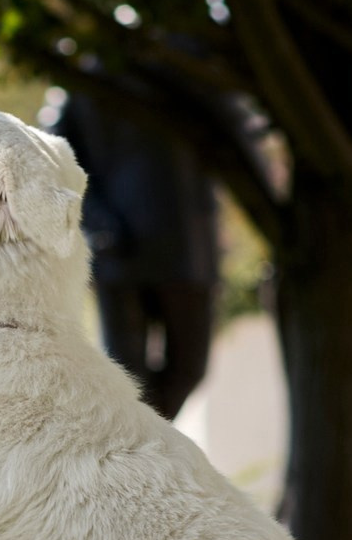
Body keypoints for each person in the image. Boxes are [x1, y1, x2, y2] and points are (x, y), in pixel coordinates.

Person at [40, 88, 220, 419]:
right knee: (126, 373)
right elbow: (55, 160)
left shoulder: (185, 61)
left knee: (189, 367)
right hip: (118, 250)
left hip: (187, 245)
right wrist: (96, 222)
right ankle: (137, 449)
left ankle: (142, 444)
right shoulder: (81, 77)